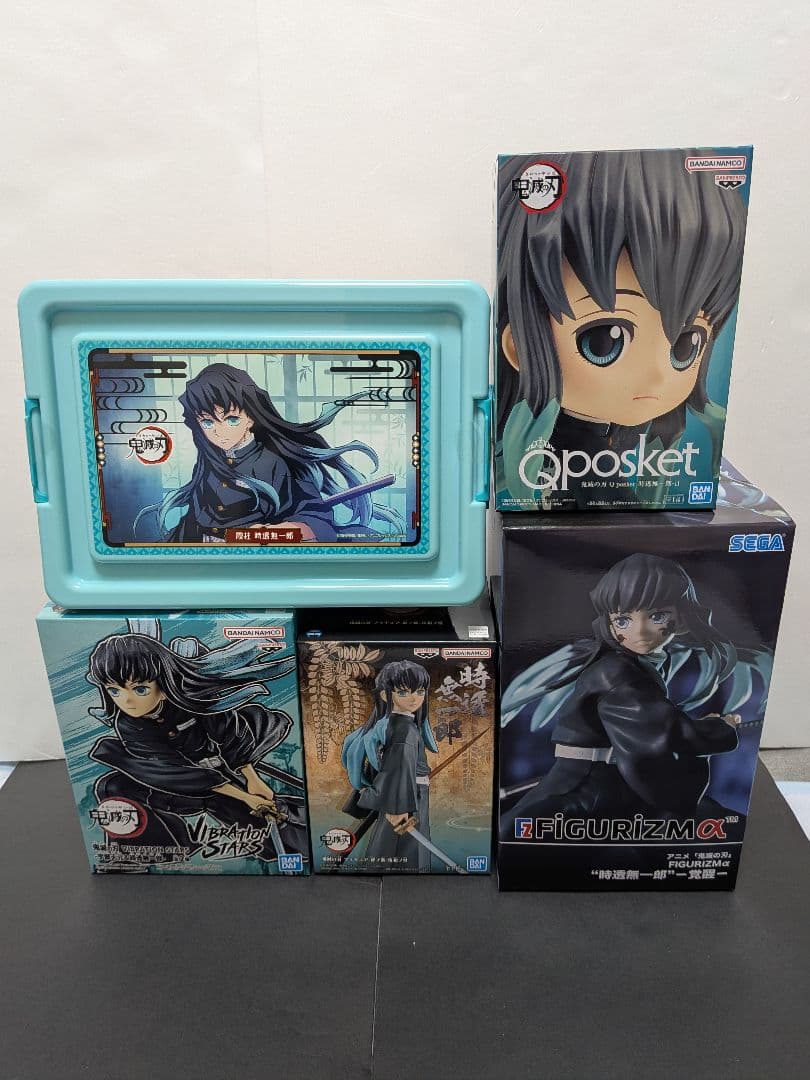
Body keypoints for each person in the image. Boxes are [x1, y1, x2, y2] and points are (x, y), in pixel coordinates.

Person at [496, 149, 748, 507]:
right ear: (518, 347)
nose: (657, 376)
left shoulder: (608, 443)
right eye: (603, 341)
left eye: (686, 344)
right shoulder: (580, 457)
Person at [499, 554, 769, 838]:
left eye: (657, 616)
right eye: (623, 620)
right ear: (609, 623)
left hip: (614, 783)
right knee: (514, 835)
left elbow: (659, 727)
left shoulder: (641, 663)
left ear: (682, 618)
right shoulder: (616, 671)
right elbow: (663, 733)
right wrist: (719, 729)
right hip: (587, 788)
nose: (639, 631)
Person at [87, 621, 307, 864]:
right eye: (114, 691)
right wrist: (244, 796)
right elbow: (171, 771)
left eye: (140, 690)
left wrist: (252, 780)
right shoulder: (128, 724)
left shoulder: (194, 700)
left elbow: (230, 733)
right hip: (174, 782)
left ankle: (304, 840)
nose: (127, 701)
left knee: (264, 822)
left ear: (163, 685)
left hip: (215, 773)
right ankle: (164, 850)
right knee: (112, 787)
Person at [137, 363, 396, 542]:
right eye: (207, 422)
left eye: (231, 419)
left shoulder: (277, 463)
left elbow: (315, 516)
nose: (218, 432)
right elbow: (197, 519)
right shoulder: (209, 461)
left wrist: (283, 531)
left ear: (250, 417)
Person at [341, 660, 438, 872]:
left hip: (406, 792)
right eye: (403, 692)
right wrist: (399, 807)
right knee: (404, 846)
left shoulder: (402, 725)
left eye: (420, 691)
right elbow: (399, 767)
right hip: (406, 794)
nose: (414, 698)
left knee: (394, 842)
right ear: (386, 695)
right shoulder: (404, 729)